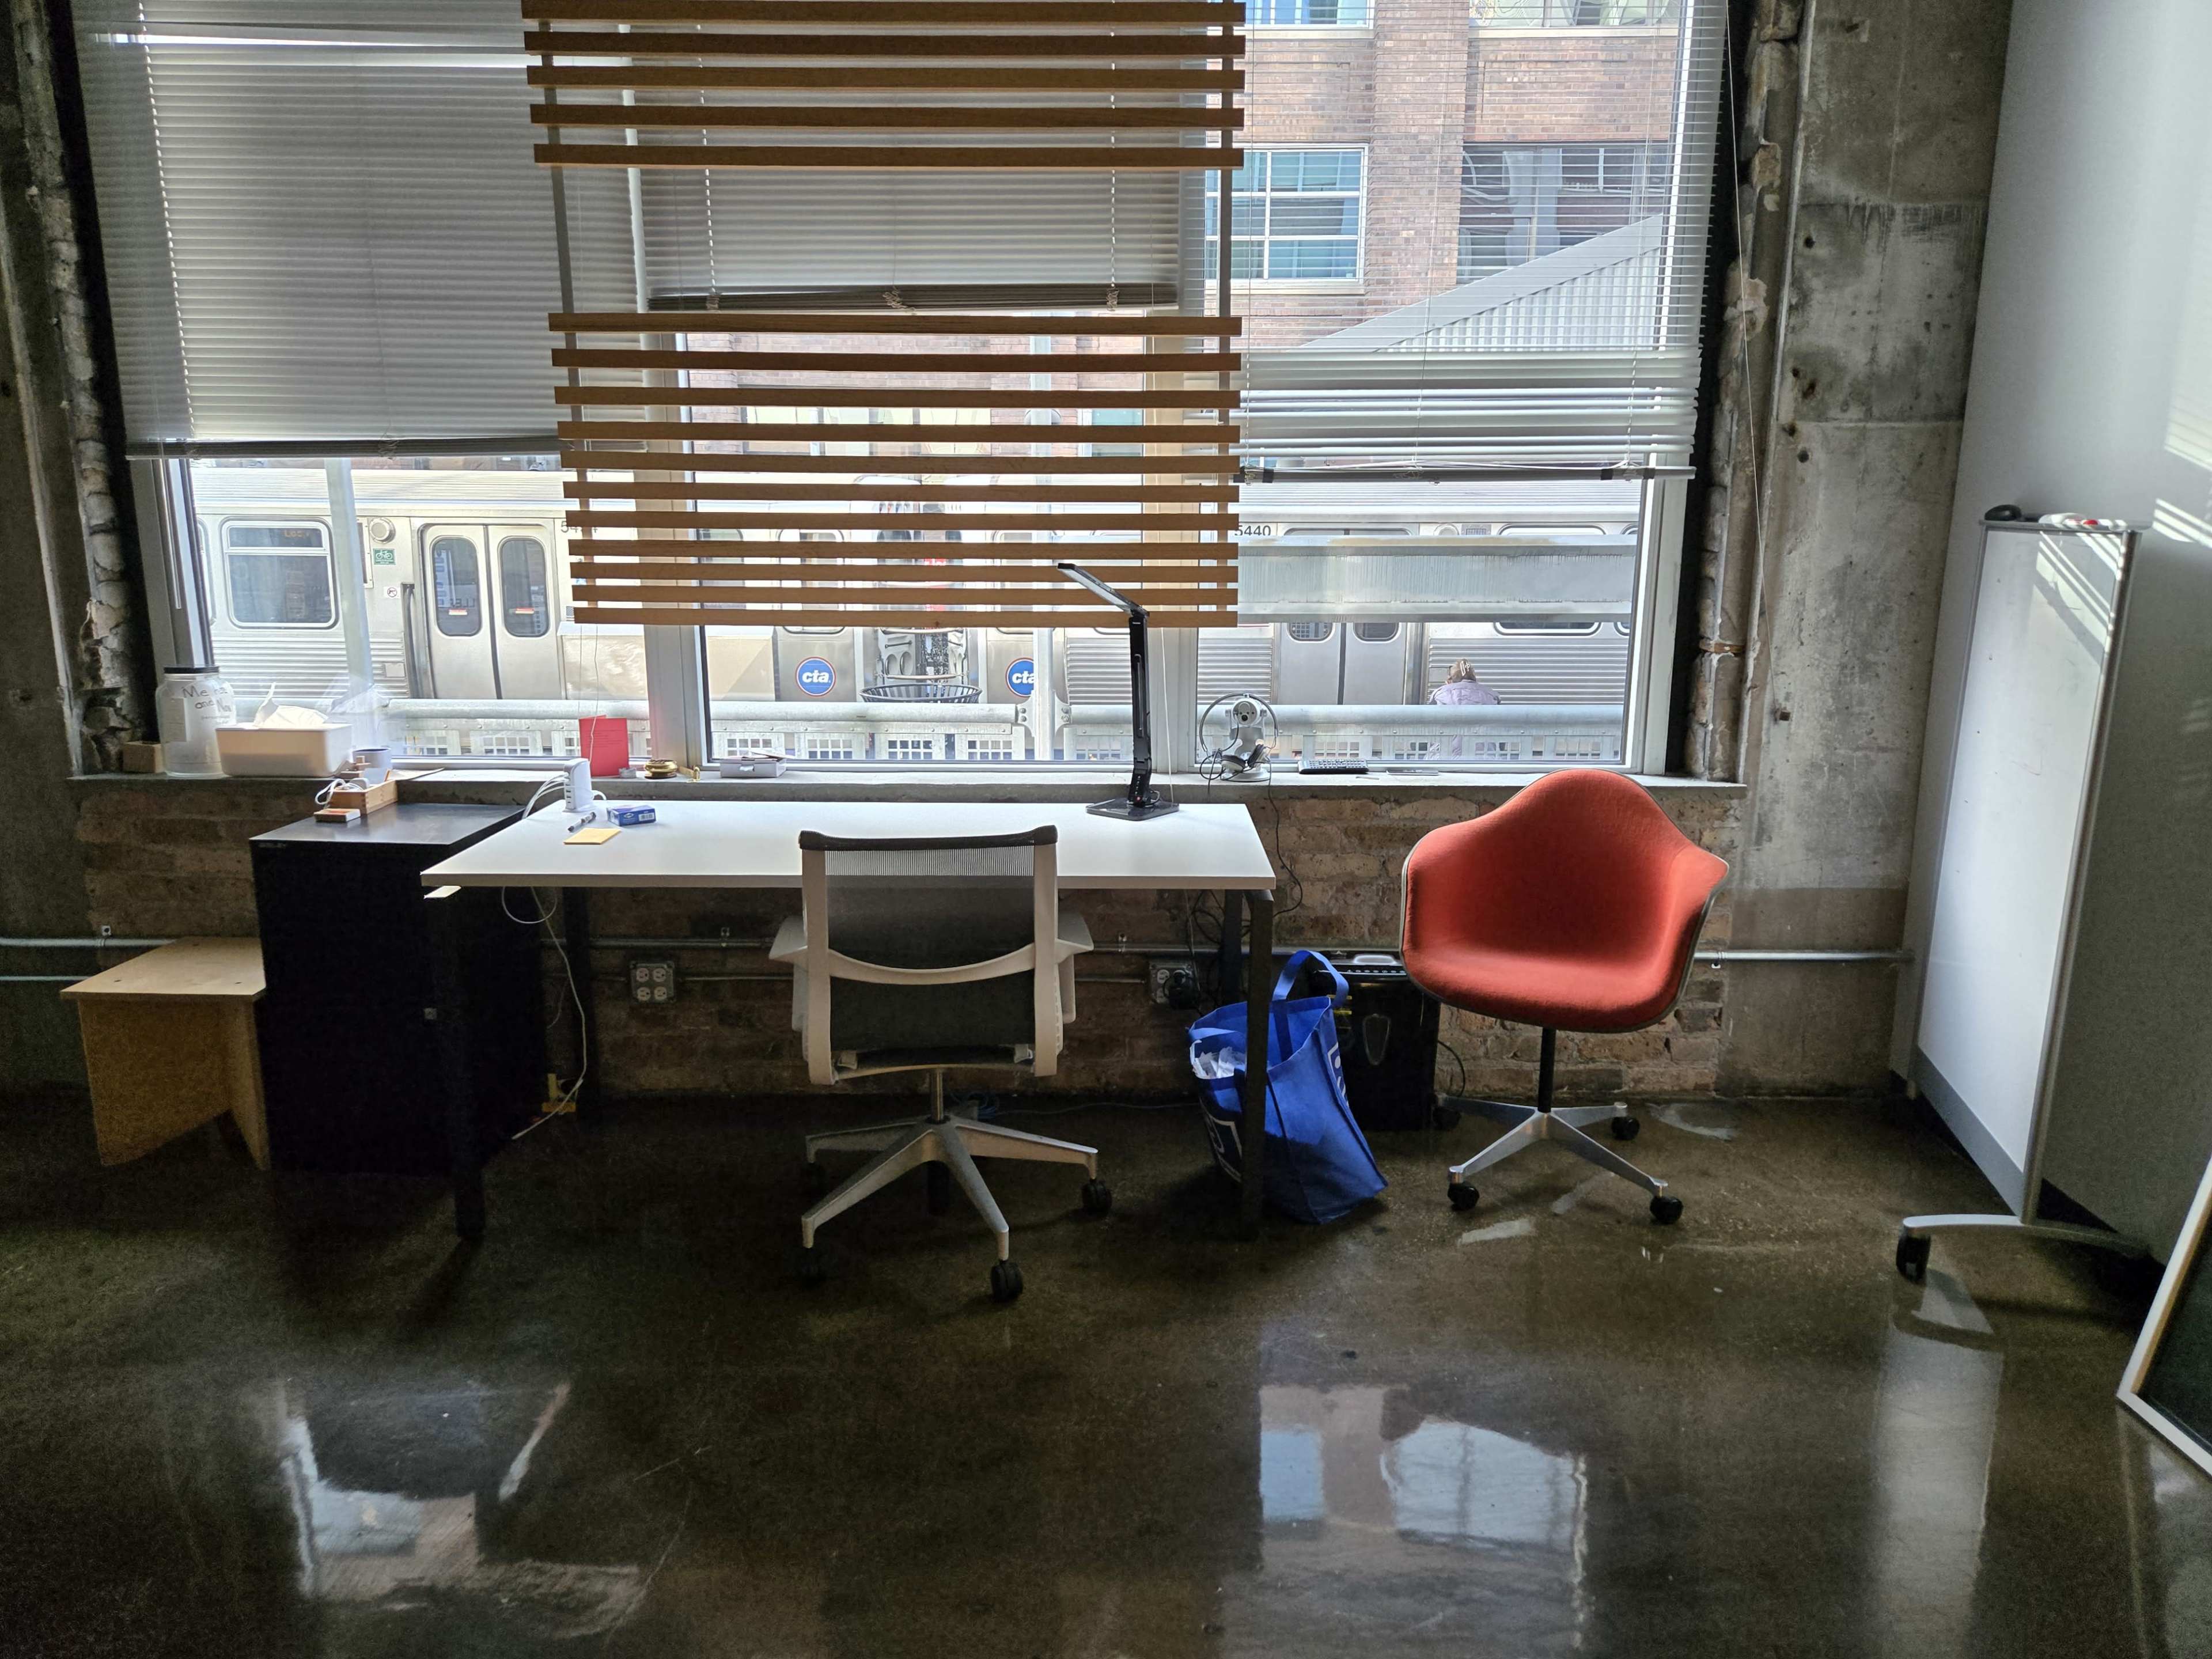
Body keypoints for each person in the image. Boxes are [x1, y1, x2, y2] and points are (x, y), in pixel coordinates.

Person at [1430, 659, 1501, 705]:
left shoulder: (1440, 694)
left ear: (1450, 679)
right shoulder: (1492, 695)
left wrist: (1448, 688)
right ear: (1473, 676)